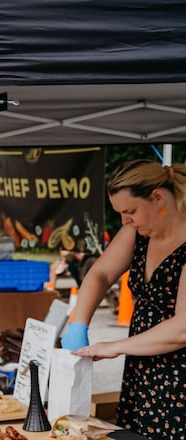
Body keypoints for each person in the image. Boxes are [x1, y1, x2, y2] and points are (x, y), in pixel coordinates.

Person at [62, 160, 186, 440]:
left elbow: (182, 328)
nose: (124, 221)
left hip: (180, 381)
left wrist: (115, 346)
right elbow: (101, 274)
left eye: (130, 211)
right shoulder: (137, 232)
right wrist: (78, 324)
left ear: (158, 197)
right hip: (142, 373)